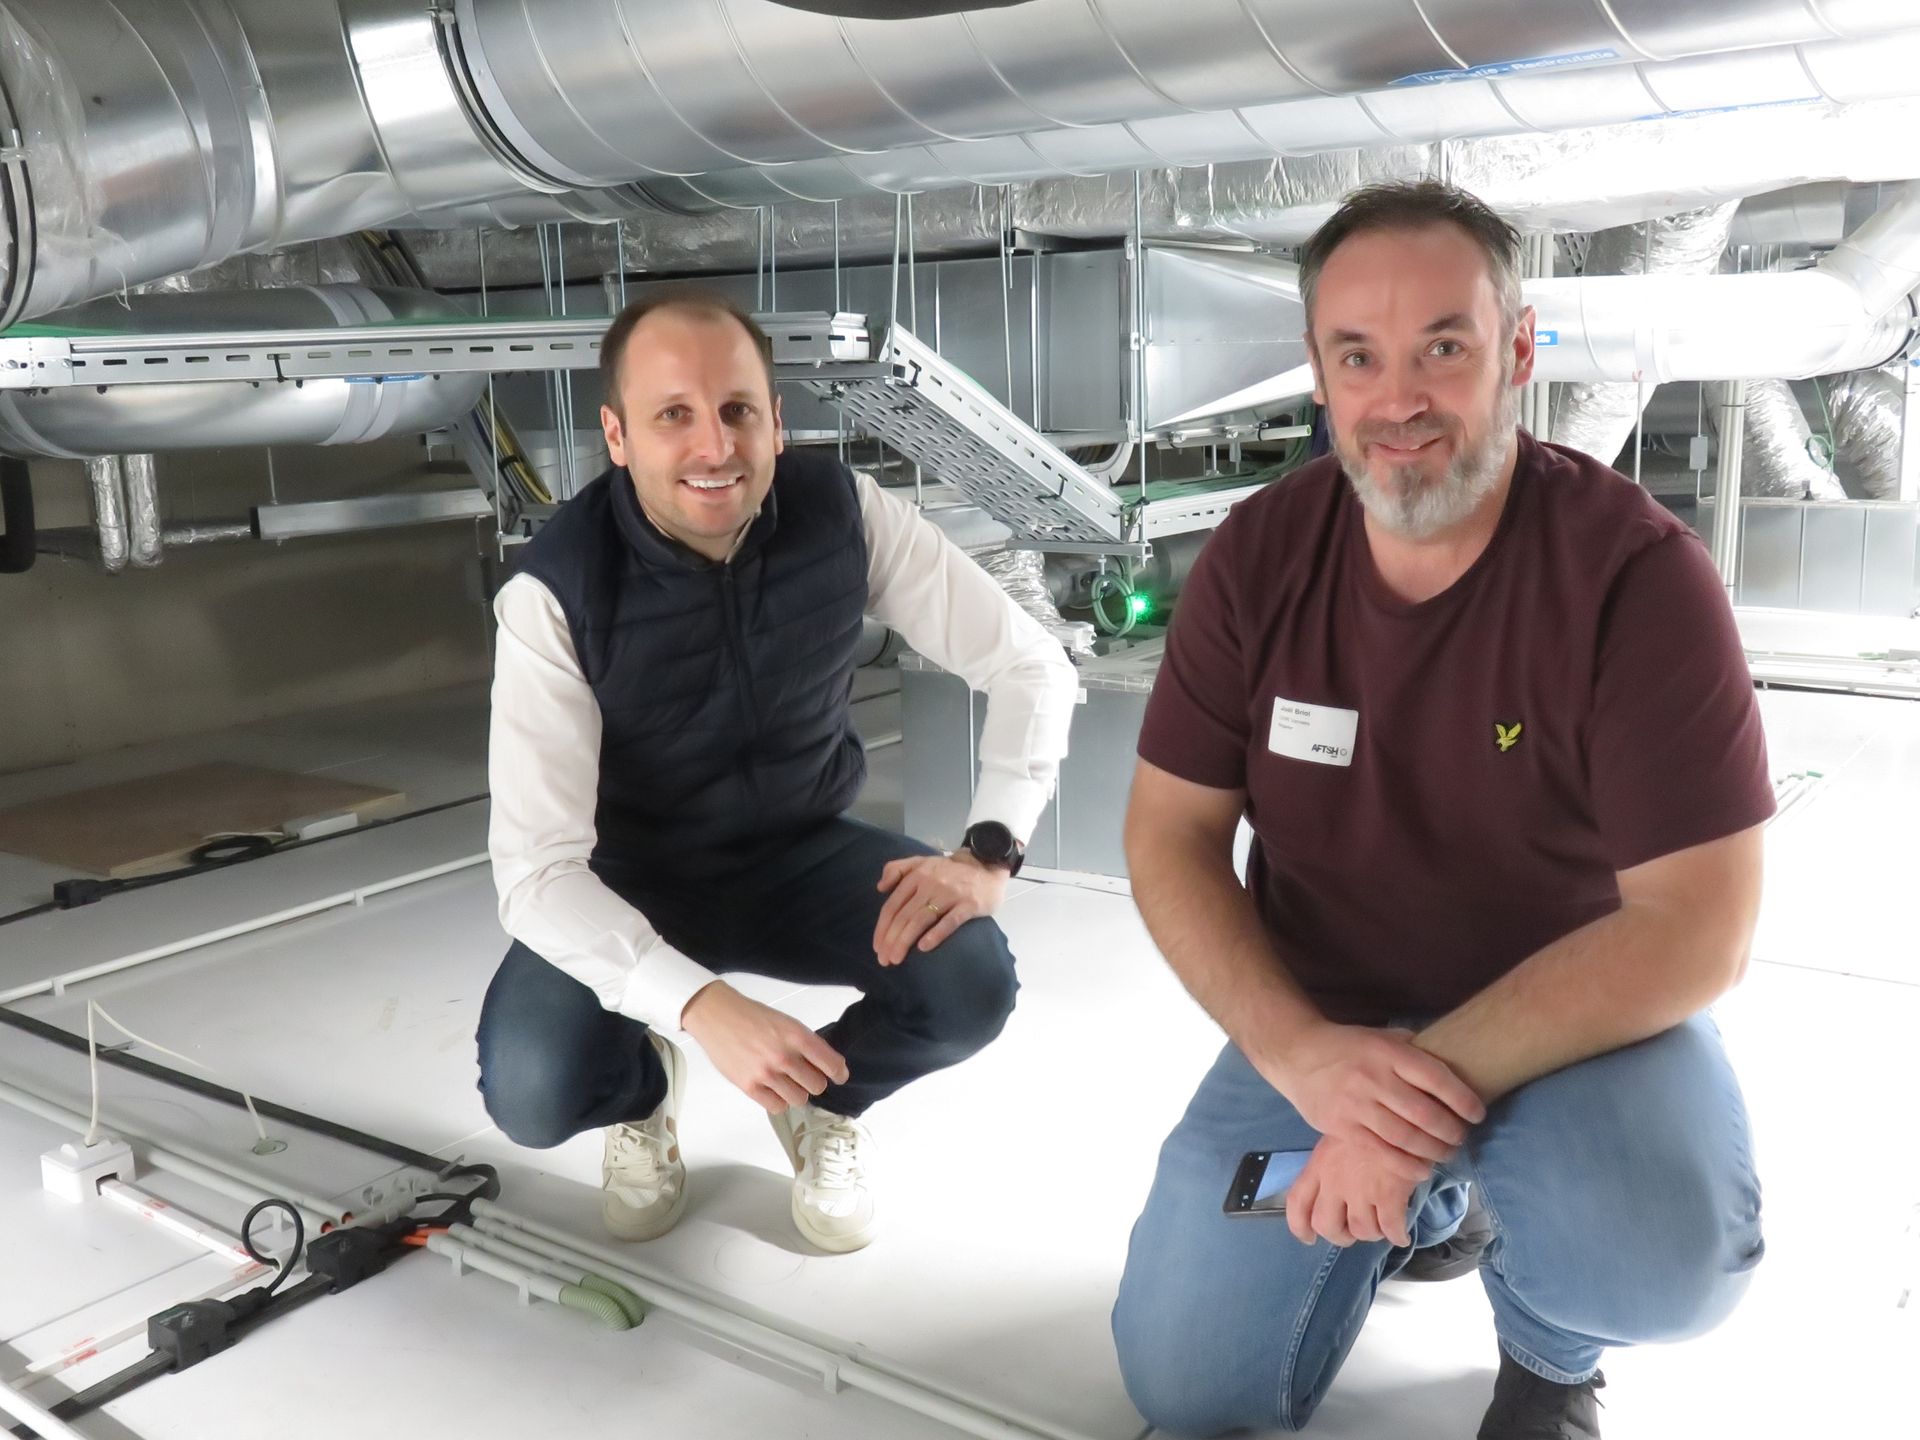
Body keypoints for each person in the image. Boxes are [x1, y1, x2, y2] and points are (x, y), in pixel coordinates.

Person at [1111, 180, 1771, 1438]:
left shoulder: (1637, 580)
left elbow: (1700, 927)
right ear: (1318, 370)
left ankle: (1550, 1350)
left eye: (1444, 349)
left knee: (1665, 1256)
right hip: (1329, 1024)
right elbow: (1170, 834)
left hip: (1573, 1029)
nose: (1399, 398)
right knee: (1185, 1384)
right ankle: (1437, 1202)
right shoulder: (1257, 558)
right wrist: (1303, 1059)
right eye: (1359, 355)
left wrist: (1410, 1109)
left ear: (1517, 351)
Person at [476, 291, 1077, 1254]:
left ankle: (821, 1100)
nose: (714, 447)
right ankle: (643, 1093)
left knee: (969, 982)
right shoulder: (556, 590)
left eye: (737, 410)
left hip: (804, 852)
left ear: (776, 421)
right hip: (633, 878)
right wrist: (699, 1007)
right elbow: (537, 874)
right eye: (673, 415)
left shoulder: (842, 511)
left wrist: (988, 850)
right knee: (533, 1088)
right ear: (617, 436)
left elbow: (1029, 663)